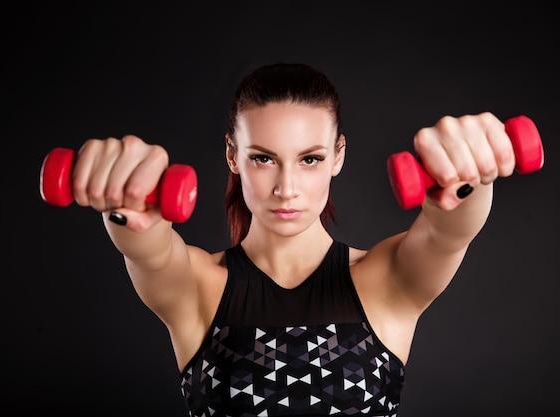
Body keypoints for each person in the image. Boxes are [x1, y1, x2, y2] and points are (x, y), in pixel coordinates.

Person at [68, 62, 518, 416]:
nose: (286, 187)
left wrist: (470, 178)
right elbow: (148, 248)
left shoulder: (386, 280)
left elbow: (449, 230)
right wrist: (126, 204)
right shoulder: (196, 286)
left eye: (309, 159)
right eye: (263, 158)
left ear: (337, 156)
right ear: (232, 155)